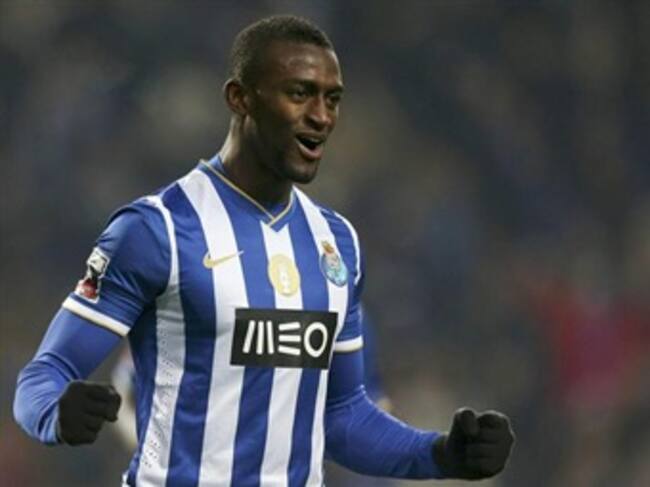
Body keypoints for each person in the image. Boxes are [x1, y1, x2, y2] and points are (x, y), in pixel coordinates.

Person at [14, 15, 514, 486]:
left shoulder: (336, 242)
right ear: (240, 99)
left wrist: (442, 454)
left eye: (332, 99)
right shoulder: (156, 229)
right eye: (299, 94)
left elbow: (341, 415)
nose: (321, 116)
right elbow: (44, 374)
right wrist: (55, 413)